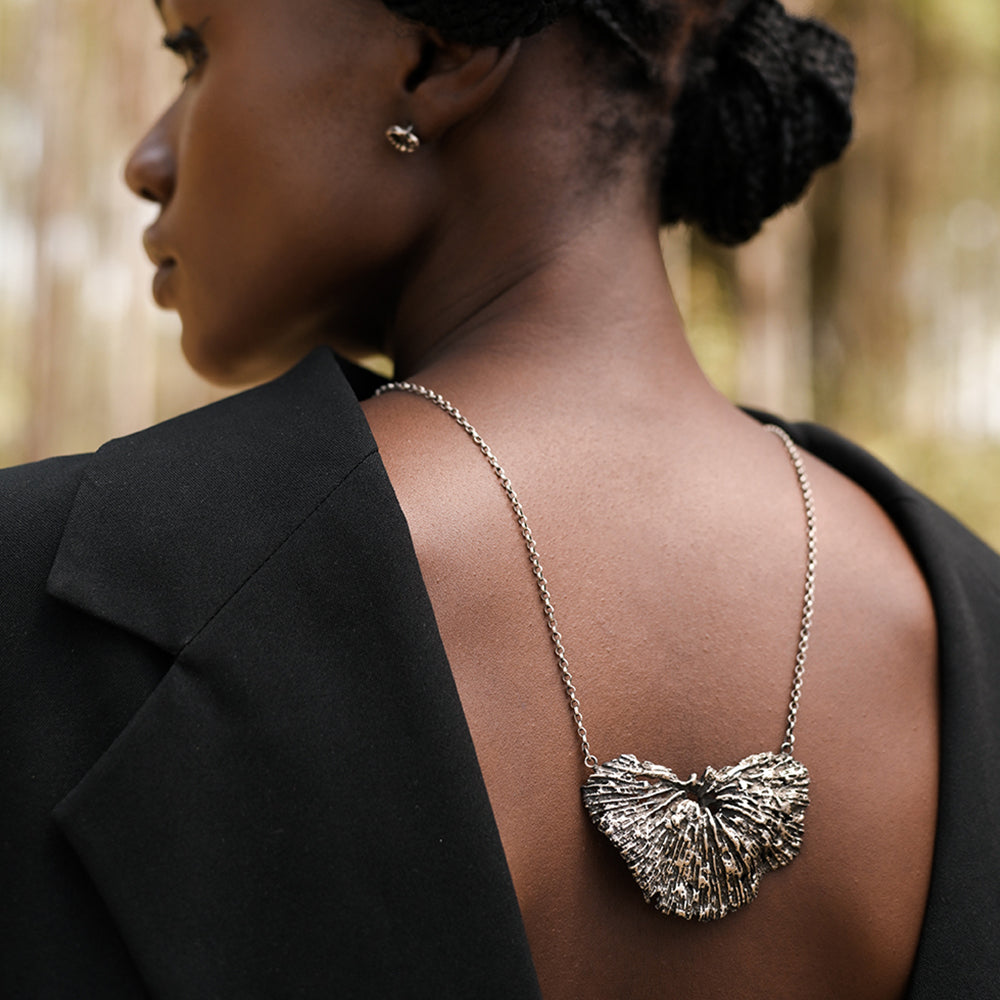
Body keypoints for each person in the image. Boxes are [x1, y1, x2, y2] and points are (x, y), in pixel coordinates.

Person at [1, 0, 998, 997]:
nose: (145, 158)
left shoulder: (32, 596)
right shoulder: (965, 619)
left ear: (441, 54)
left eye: (193, 52)